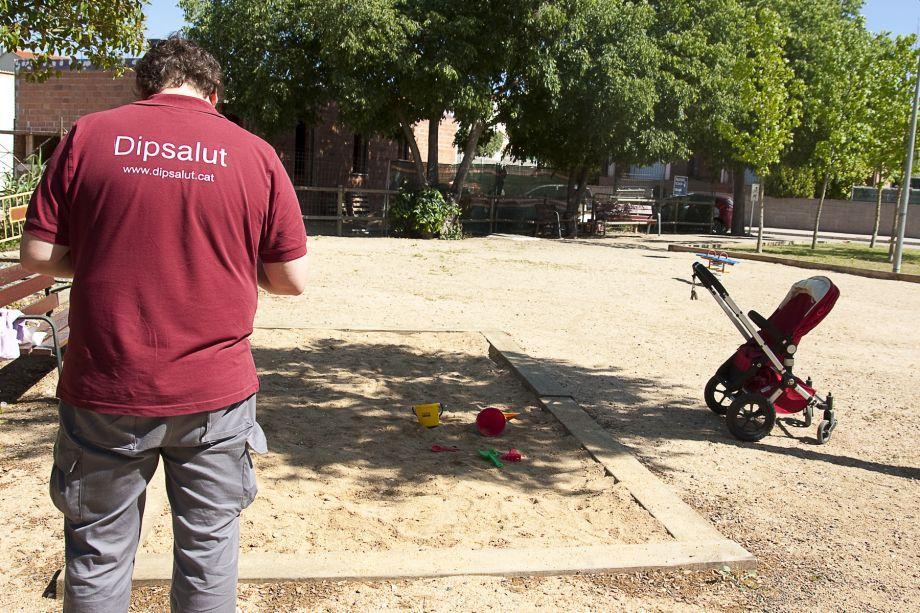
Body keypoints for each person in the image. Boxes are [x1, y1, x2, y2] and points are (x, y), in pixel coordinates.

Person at [20, 36, 308, 613]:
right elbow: (290, 280)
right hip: (214, 395)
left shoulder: (90, 136)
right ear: (215, 94)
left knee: (98, 553)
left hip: (105, 386)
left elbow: (36, 255)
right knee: (208, 551)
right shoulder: (254, 154)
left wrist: (98, 254)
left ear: (143, 88)